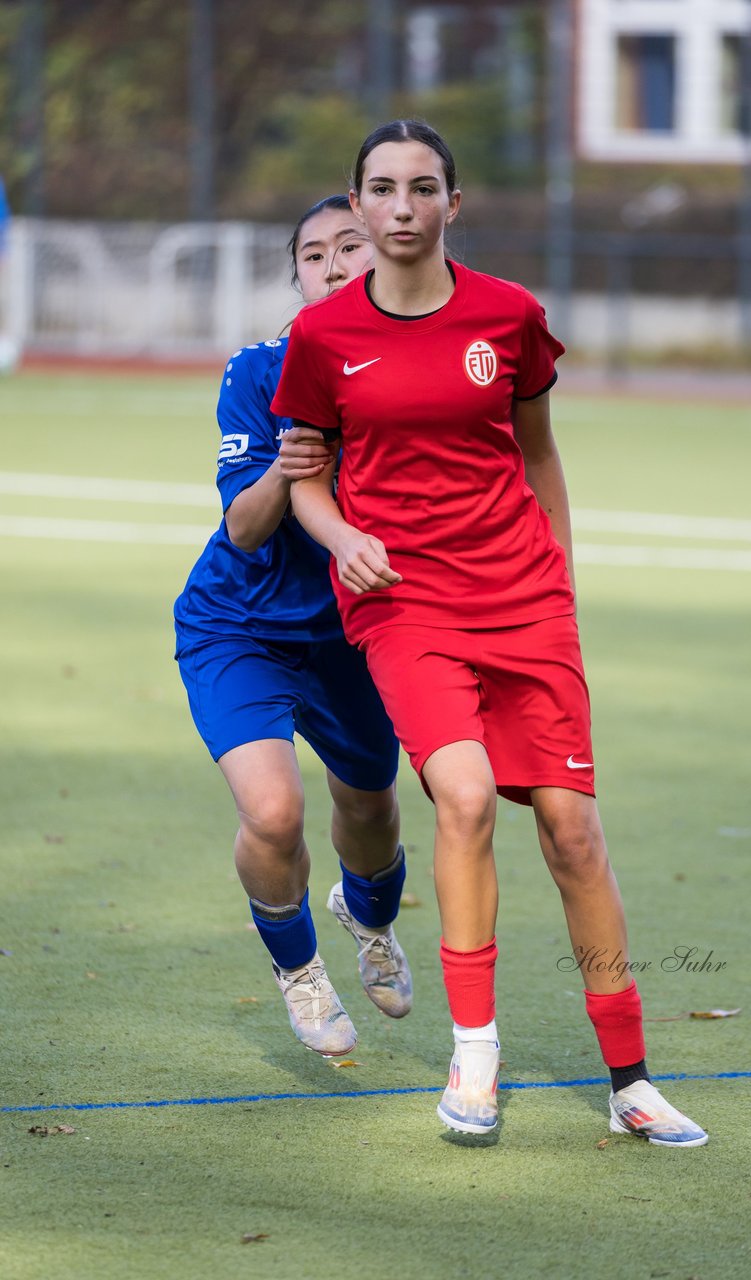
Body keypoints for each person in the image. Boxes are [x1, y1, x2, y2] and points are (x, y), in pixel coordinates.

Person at [272, 121, 708, 1147]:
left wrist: (559, 587)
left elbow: (539, 453)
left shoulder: (509, 316)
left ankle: (631, 1081)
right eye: (383, 188)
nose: (404, 206)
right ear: (359, 204)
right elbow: (305, 479)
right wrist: (344, 538)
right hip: (405, 602)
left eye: (423, 188)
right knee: (463, 797)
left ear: (451, 204)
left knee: (571, 830)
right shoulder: (323, 336)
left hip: (524, 597)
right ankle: (476, 1057)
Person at [173, 195, 412, 1059]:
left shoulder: (417, 377)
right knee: (274, 813)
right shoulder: (259, 371)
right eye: (314, 254)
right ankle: (300, 969)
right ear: (299, 277)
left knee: (372, 807)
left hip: (356, 631)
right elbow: (243, 529)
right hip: (239, 627)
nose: (334, 264)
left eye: (352, 246)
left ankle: (370, 920)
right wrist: (286, 465)